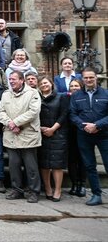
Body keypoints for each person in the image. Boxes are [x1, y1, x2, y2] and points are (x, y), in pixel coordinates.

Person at [0, 71, 42, 203]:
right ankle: (16, 189)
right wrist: (10, 124)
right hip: (11, 135)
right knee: (14, 165)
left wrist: (16, 122)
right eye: (10, 79)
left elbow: (33, 111)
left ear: (22, 80)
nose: (11, 81)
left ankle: (34, 191)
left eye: (14, 79)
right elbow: (0, 112)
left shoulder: (32, 93)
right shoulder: (6, 94)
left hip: (28, 134)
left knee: (31, 166)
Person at [69, 68, 108, 206]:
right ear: (83, 79)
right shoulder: (76, 95)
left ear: (96, 78)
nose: (89, 80)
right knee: (90, 165)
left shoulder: (105, 93)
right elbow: (72, 114)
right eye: (86, 78)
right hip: (84, 135)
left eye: (91, 77)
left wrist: (97, 125)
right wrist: (83, 126)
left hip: (104, 135)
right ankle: (96, 194)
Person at [38, 76, 69, 202]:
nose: (44, 85)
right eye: (41, 84)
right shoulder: (36, 98)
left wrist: (52, 129)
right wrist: (40, 128)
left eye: (46, 83)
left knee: (57, 165)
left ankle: (58, 189)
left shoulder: (61, 97)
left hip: (57, 134)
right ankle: (48, 188)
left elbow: (64, 114)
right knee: (44, 164)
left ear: (51, 84)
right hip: (41, 134)